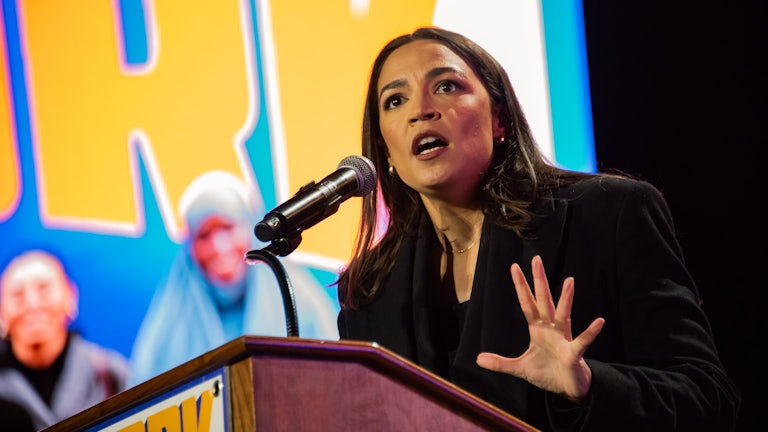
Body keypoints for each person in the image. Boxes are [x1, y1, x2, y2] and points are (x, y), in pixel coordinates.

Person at [335, 27, 740, 431]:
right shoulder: (368, 291)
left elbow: (707, 398)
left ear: (499, 119)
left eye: (446, 86)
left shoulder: (608, 214)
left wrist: (588, 386)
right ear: (385, 151)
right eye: (395, 100)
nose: (420, 110)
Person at [128, 171, 339, 386]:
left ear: (250, 229)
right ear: (189, 247)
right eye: (204, 235)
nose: (218, 247)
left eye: (228, 228)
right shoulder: (167, 330)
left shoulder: (299, 303)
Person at [0, 249, 129, 431]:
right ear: (2, 309)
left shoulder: (110, 373)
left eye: (43, 289)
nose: (32, 304)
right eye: (17, 295)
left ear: (70, 296)